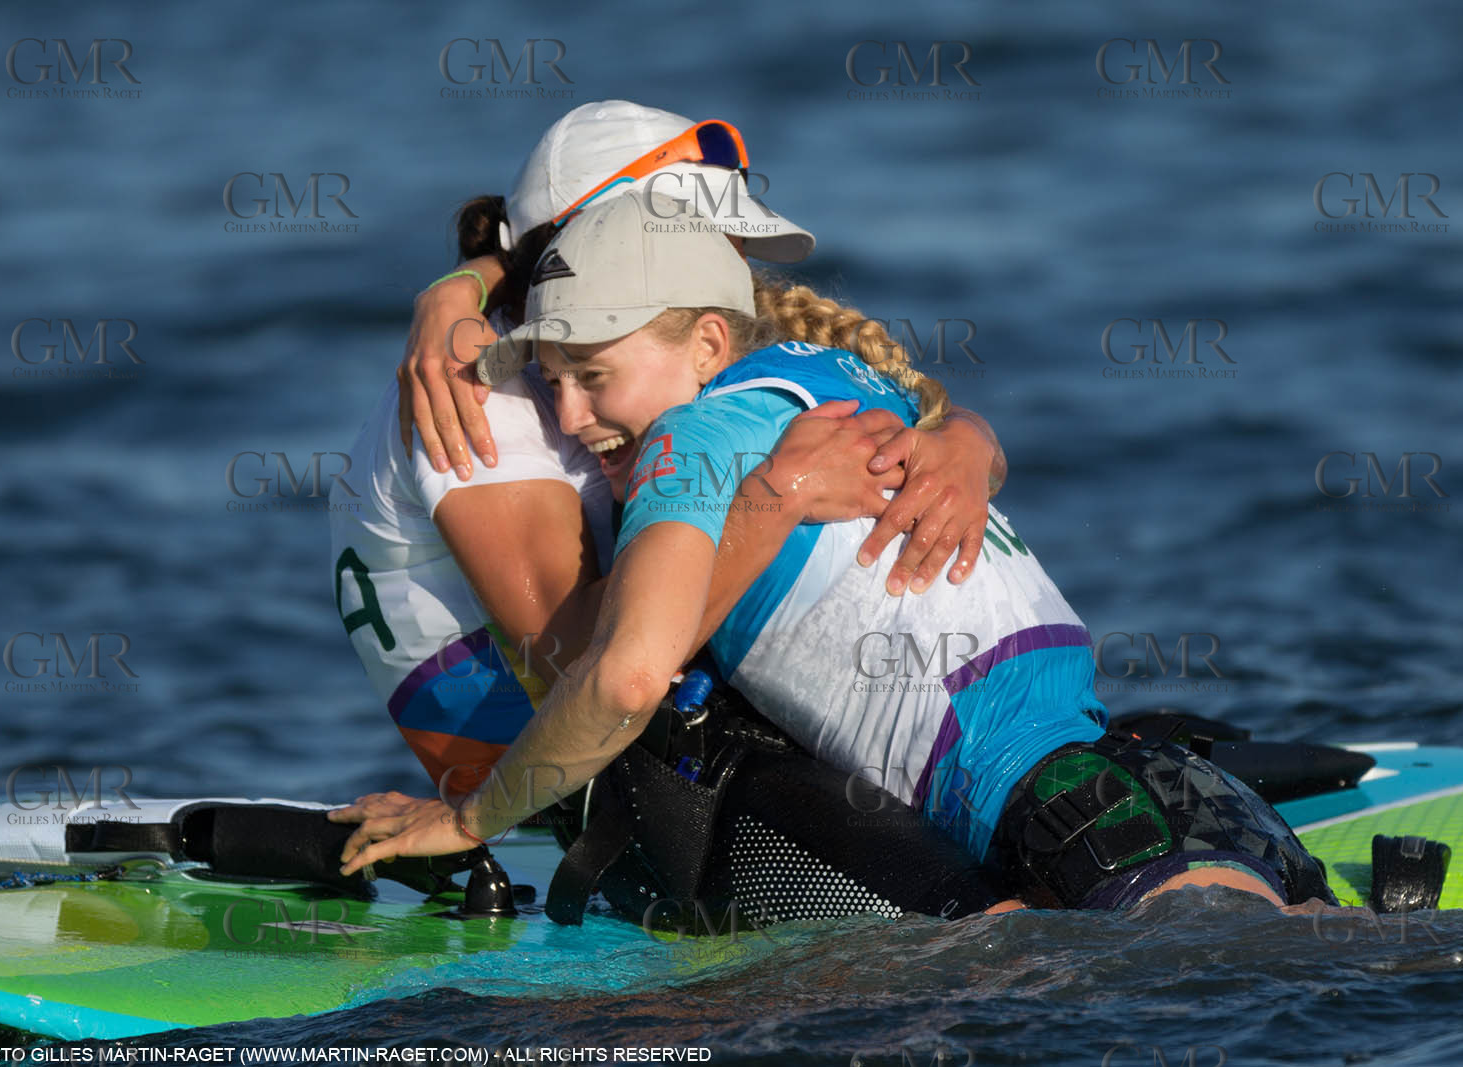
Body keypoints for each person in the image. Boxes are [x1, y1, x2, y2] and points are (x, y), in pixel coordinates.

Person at [334, 192, 1336, 914]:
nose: (569, 414)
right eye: (551, 381)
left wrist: (469, 819)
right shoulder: (837, 374)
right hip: (1170, 793)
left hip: (1061, 833)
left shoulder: (688, 444)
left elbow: (628, 674)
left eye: (593, 375)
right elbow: (969, 436)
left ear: (707, 347)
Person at [328, 101, 1020, 920]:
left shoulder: (627, 350)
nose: (719, 270)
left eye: (723, 248)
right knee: (982, 929)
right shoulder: (489, 393)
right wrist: (777, 500)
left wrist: (965, 447)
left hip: (658, 721)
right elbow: (593, 666)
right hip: (575, 781)